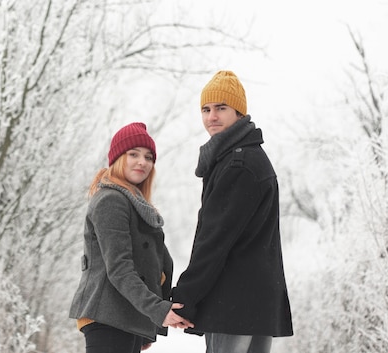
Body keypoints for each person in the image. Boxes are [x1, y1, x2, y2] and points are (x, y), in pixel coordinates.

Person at [171, 70, 293, 353]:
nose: (212, 116)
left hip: (234, 304)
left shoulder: (237, 165)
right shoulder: (248, 157)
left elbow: (215, 239)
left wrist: (185, 296)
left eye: (221, 108)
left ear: (239, 112)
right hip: (256, 303)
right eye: (206, 109)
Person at [69, 122, 193, 353]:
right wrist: (157, 310)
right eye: (133, 154)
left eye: (148, 157)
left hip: (127, 317)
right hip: (107, 317)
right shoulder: (111, 201)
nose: (142, 162)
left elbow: (154, 268)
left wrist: (147, 321)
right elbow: (120, 269)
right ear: (118, 158)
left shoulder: (138, 205)